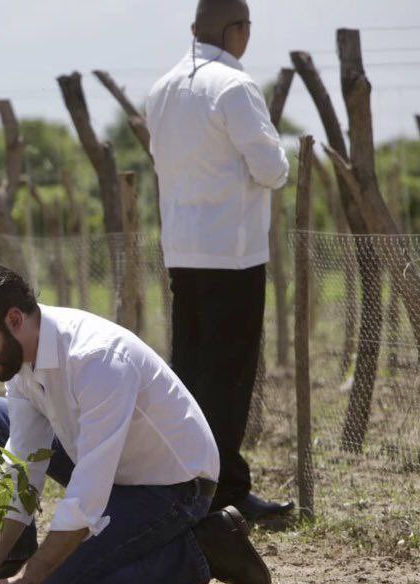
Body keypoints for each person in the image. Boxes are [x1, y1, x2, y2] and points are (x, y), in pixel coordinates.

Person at [0, 264, 271, 584]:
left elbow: (87, 496)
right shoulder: (21, 357)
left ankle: (205, 549)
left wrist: (31, 579)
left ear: (14, 319)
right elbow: (22, 467)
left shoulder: (98, 360)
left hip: (172, 487)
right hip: (111, 471)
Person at [145, 0, 293, 520]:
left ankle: (189, 482)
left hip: (182, 251)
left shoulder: (161, 90)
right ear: (237, 31)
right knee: (229, 377)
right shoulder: (234, 86)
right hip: (232, 255)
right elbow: (273, 169)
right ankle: (226, 493)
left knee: (189, 372)